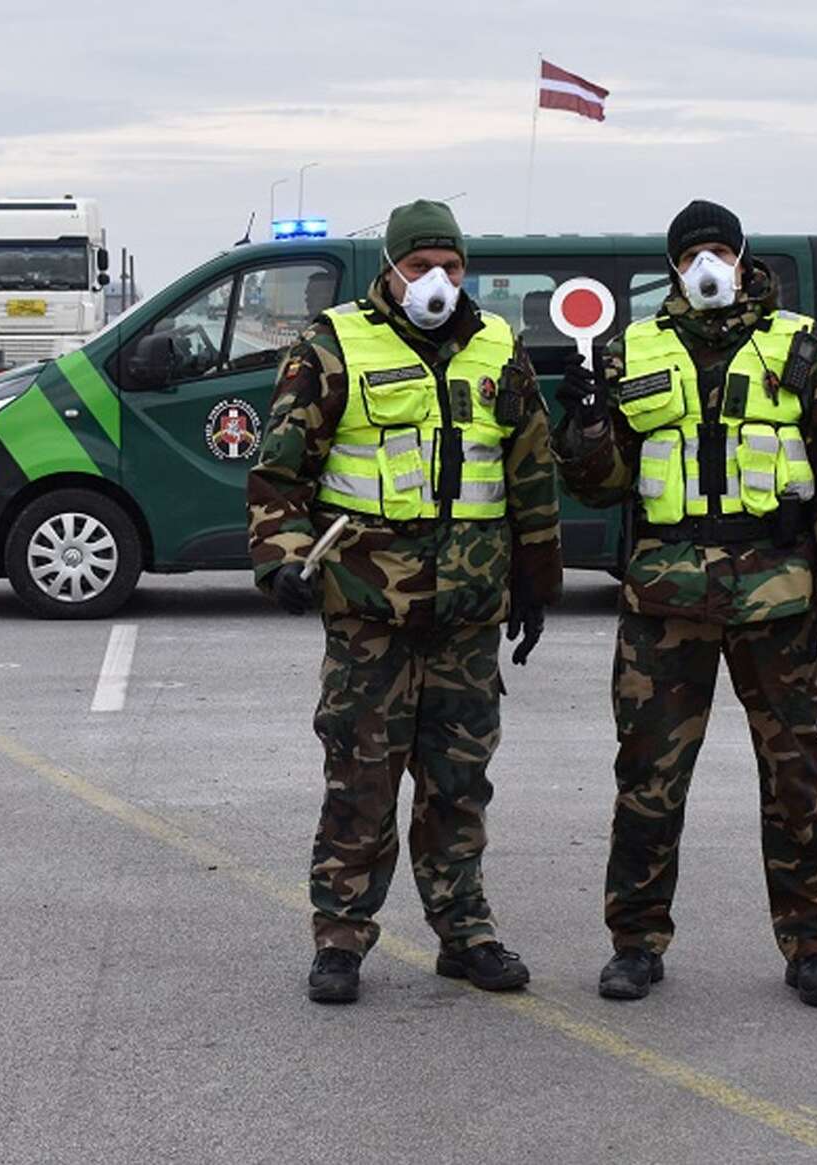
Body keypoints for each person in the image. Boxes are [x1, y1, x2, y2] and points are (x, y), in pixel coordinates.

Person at [550, 200, 817, 1007]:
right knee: (648, 778)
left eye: (718, 250)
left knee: (796, 775)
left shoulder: (802, 349)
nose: (707, 265)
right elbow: (601, 485)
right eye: (692, 252)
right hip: (666, 597)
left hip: (778, 593)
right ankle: (635, 940)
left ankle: (812, 943)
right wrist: (585, 426)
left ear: (741, 258)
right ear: (673, 267)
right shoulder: (633, 350)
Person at [247, 199, 563, 1005]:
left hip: (467, 612)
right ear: (390, 269)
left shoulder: (498, 348)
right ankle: (340, 939)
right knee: (360, 779)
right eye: (422, 267)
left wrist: (537, 576)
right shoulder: (332, 344)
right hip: (369, 610)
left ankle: (465, 931)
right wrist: (282, 558)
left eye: (452, 268)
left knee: (459, 781)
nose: (438, 281)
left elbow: (529, 471)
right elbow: (280, 472)